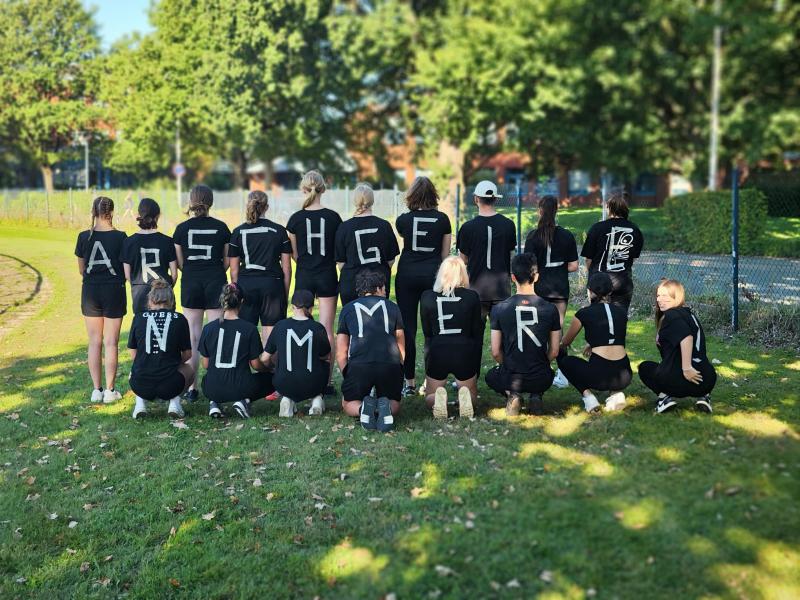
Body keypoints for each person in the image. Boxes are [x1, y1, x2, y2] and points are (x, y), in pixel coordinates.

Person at [172, 185, 231, 402]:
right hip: (215, 281)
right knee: (216, 335)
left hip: (191, 282)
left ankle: (192, 388)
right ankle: (216, 385)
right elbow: (227, 261)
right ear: (210, 202)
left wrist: (193, 272)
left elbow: (180, 263)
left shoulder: (181, 229)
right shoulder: (222, 228)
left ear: (191, 201)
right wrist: (213, 272)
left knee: (193, 337)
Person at [394, 176, 452, 396]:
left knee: (407, 329)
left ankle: (408, 382)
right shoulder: (443, 220)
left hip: (407, 275)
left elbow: (405, 235)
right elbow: (445, 255)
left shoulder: (403, 220)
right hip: (432, 276)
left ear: (412, 194)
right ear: (432, 194)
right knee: (433, 330)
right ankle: (431, 382)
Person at [286, 170, 342, 394]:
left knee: (301, 326)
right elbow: (337, 251)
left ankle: (302, 374)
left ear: (303, 189)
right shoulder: (333, 217)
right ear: (323, 189)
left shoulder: (295, 219)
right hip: (327, 274)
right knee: (327, 329)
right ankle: (326, 383)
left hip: (305, 275)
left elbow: (295, 254)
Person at [486, 253, 561, 416]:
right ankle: (536, 395)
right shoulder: (550, 309)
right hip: (540, 377)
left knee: (491, 376)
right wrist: (542, 364)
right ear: (537, 276)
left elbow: (496, 352)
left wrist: (508, 365)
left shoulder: (499, 309)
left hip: (511, 377)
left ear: (513, 277)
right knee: (547, 374)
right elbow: (555, 351)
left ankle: (513, 395)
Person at [74, 196, 127, 404]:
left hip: (90, 291)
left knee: (94, 341)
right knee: (111, 342)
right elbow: (125, 269)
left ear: (93, 212)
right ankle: (110, 391)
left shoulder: (83, 237)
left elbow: (81, 270)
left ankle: (97, 390)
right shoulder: (121, 237)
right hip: (114, 291)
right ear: (111, 212)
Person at [337, 270, 404, 432]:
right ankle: (384, 408)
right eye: (384, 288)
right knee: (395, 404)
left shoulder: (347, 309)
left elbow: (341, 350)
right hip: (389, 364)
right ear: (378, 288)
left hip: (360, 365)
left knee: (347, 403)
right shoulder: (393, 307)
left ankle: (363, 409)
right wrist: (399, 367)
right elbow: (401, 343)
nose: (386, 291)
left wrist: (347, 372)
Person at [638, 279, 717, 414]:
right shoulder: (689, 313)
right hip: (706, 380)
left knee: (645, 368)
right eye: (658, 295)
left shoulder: (672, 315)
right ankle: (704, 396)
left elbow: (686, 337)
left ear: (677, 296)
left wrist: (687, 368)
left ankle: (664, 399)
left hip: (680, 380)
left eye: (665, 296)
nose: (659, 299)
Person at [523, 195, 578, 389]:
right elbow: (573, 266)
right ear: (556, 211)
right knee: (558, 332)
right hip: (559, 290)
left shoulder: (533, 236)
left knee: (538, 332)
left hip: (539, 290)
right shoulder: (566, 235)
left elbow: (527, 266)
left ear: (540, 210)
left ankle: (537, 370)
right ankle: (563, 374)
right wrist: (558, 269)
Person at [557, 272, 632, 413]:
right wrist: (592, 343)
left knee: (564, 359)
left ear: (590, 291)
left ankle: (589, 398)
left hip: (600, 377)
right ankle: (616, 393)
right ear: (610, 291)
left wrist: (556, 347)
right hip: (625, 374)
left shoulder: (584, 313)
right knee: (613, 362)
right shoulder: (621, 312)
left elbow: (566, 342)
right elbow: (613, 336)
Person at [198, 283, 274, 419]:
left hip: (212, 388)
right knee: (272, 379)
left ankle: (214, 402)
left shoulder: (208, 328)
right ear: (242, 301)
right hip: (241, 387)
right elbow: (256, 365)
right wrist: (268, 369)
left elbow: (206, 364)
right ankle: (244, 401)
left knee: (206, 380)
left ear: (222, 301)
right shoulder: (249, 329)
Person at [419, 257, 482, 419]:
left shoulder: (426, 297)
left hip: (438, 350)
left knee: (430, 396)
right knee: (472, 396)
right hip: (464, 350)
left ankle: (438, 399)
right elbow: (476, 332)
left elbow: (427, 333)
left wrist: (428, 361)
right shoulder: (472, 297)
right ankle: (465, 397)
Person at [229, 190, 292, 344]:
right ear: (267, 207)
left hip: (246, 287)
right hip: (272, 286)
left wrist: (237, 292)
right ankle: (267, 361)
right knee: (271, 339)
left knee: (245, 335)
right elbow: (287, 268)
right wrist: (284, 293)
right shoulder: (279, 231)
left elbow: (234, 270)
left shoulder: (237, 232)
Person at [127, 280, 194, 419]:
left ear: (150, 300)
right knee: (189, 370)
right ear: (171, 301)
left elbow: (133, 353)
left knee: (134, 369)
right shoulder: (179, 319)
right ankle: (175, 403)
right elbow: (188, 354)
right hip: (170, 384)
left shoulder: (138, 318)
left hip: (140, 385)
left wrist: (149, 360)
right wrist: (172, 361)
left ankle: (140, 404)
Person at [261, 290, 331, 418]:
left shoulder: (280, 326)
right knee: (325, 363)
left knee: (286, 376)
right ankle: (317, 399)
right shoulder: (318, 327)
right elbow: (326, 356)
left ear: (292, 307)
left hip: (283, 383)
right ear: (311, 308)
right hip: (313, 383)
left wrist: (274, 368)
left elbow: (264, 358)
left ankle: (287, 398)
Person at [456, 180, 517, 321]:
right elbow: (511, 256)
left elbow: (463, 260)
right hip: (501, 288)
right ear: (495, 199)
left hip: (476, 288)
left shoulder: (467, 227)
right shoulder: (508, 225)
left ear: (476, 199)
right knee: (501, 331)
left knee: (475, 331)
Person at [335, 183, 399, 306]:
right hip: (378, 285)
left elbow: (341, 264)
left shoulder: (344, 227)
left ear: (355, 202)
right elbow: (391, 260)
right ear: (372, 201)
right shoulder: (384, 225)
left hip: (351, 284)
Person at [580, 191, 644, 311]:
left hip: (599, 282)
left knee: (598, 316)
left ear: (609, 209)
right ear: (626, 209)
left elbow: (588, 259)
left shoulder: (597, 228)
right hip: (622, 282)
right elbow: (633, 258)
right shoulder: (635, 230)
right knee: (619, 317)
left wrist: (593, 276)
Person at [123, 198, 178, 314]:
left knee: (142, 324)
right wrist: (166, 288)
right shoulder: (167, 241)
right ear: (157, 217)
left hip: (139, 294)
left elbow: (127, 275)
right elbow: (174, 274)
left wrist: (137, 286)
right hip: (163, 294)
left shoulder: (129, 242)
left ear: (139, 215)